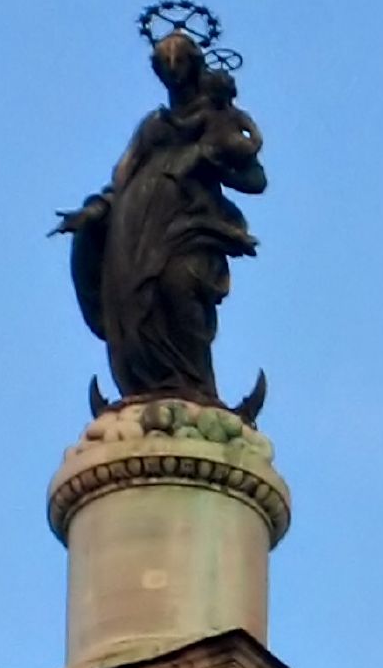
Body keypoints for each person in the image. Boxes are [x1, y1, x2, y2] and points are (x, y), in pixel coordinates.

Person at [52, 30, 266, 405]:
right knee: (135, 303)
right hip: (137, 231)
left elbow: (255, 180)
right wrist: (95, 211)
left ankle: (196, 386)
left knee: (179, 288)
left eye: (178, 64)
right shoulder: (154, 126)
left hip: (190, 228)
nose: (172, 74)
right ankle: (148, 386)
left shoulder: (217, 121)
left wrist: (206, 156)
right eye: (163, 68)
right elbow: (123, 177)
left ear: (193, 67)